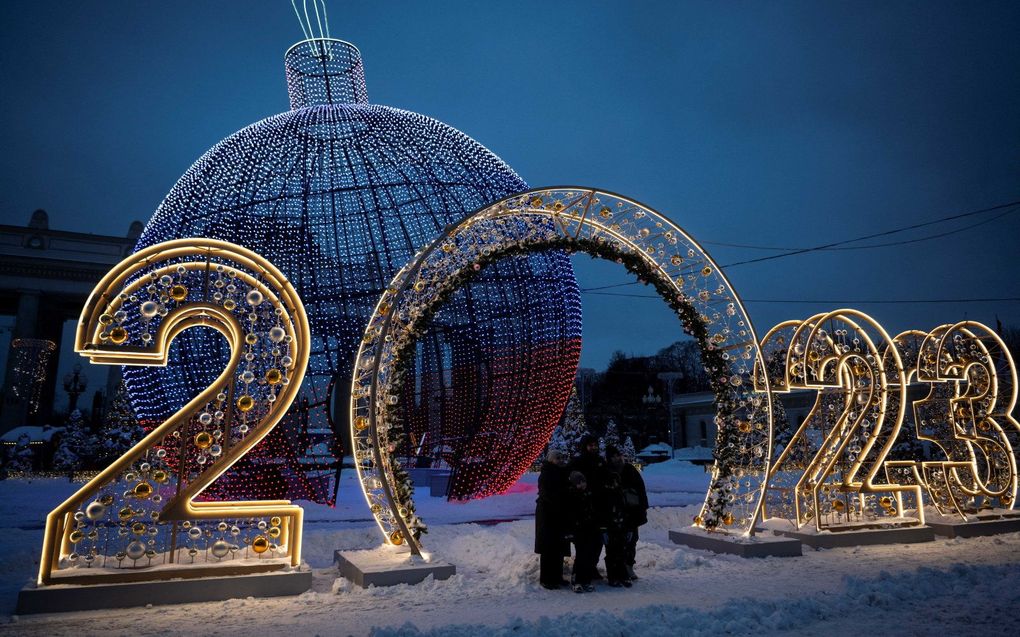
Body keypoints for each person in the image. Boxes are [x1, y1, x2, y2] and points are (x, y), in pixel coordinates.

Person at [606, 445, 649, 581]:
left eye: (617, 455)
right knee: (615, 543)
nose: (616, 458)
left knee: (631, 540)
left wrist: (642, 507)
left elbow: (640, 489)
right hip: (615, 512)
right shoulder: (607, 471)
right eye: (613, 456)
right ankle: (617, 570)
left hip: (631, 511)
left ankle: (628, 565)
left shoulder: (629, 469)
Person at [569, 433, 607, 582]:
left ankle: (591, 567)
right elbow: (572, 478)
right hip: (583, 505)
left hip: (598, 505)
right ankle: (579, 572)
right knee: (583, 543)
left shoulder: (600, 461)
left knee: (597, 541)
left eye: (595, 445)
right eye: (590, 445)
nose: (594, 447)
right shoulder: (578, 461)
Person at [535, 449, 570, 589]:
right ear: (551, 460)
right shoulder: (546, 474)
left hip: (559, 514)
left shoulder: (562, 472)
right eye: (557, 458)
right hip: (548, 514)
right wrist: (560, 501)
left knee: (559, 547)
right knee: (548, 548)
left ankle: (557, 576)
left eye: (562, 457)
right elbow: (546, 494)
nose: (560, 460)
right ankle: (547, 579)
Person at [565, 470, 599, 593]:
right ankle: (577, 580)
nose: (582, 485)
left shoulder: (588, 494)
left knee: (589, 555)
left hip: (589, 528)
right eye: (579, 483)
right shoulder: (572, 495)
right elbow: (570, 515)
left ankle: (586, 580)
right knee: (581, 555)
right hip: (578, 530)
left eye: (583, 482)